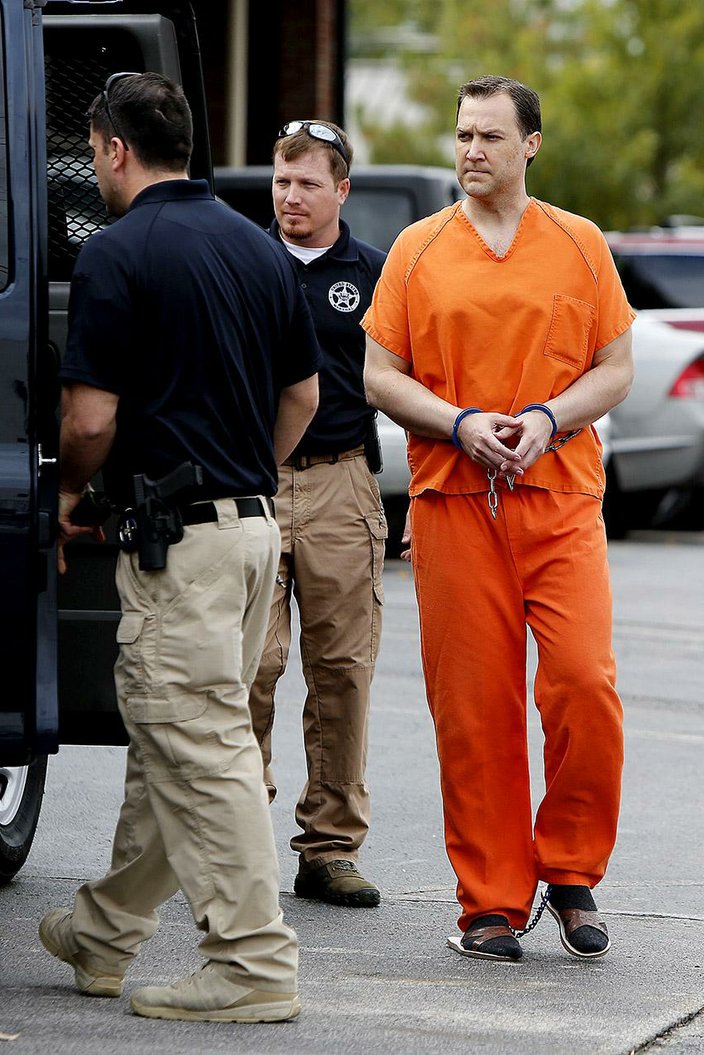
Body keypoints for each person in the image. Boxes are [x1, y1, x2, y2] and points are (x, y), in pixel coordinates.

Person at [38, 73, 321, 1023]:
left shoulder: (116, 252)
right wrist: (239, 479)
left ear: (115, 151)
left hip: (180, 547)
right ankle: (105, 932)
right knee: (175, 741)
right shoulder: (261, 248)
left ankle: (251, 963)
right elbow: (303, 399)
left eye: (94, 155)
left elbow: (88, 420)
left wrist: (70, 492)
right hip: (251, 537)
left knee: (201, 747)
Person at [362, 76, 634, 962]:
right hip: (454, 500)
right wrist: (461, 422)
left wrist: (551, 417)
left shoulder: (580, 244)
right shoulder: (417, 248)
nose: (470, 150)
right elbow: (380, 373)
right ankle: (489, 900)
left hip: (559, 498)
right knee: (474, 709)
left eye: (488, 136)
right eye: (462, 134)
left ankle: (571, 871)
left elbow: (614, 364)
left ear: (531, 145)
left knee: (584, 685)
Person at [247, 120, 387, 908]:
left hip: (341, 483)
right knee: (252, 664)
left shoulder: (375, 271)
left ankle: (329, 849)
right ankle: (243, 840)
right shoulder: (244, 261)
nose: (291, 197)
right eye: (281, 182)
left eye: (307, 183)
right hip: (256, 478)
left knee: (341, 673)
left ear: (341, 190)